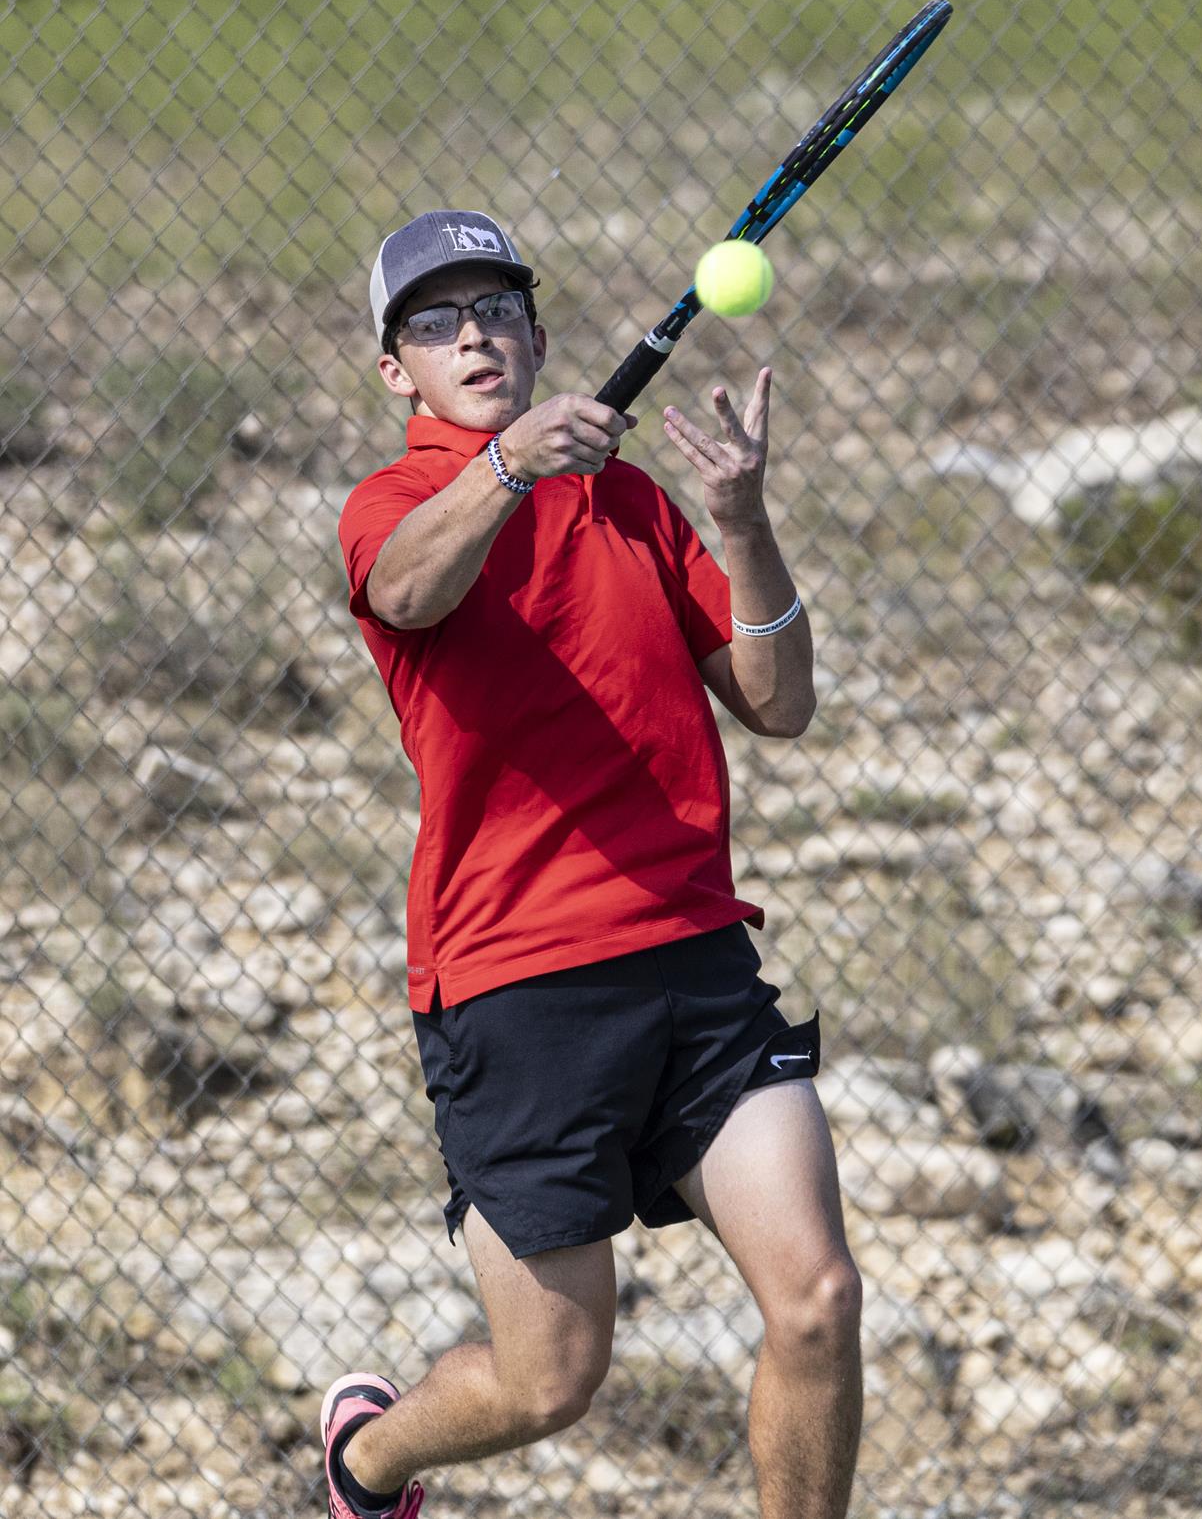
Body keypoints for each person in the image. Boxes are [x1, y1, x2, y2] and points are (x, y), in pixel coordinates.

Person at [324, 210, 860, 1519]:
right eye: (437, 322)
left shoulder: (627, 500)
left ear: (538, 333)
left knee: (819, 1298)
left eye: (497, 309)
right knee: (551, 1379)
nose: (474, 334)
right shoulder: (395, 504)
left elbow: (777, 701)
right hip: (516, 981)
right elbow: (407, 593)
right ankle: (368, 1460)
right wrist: (506, 466)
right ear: (398, 369)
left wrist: (740, 523)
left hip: (692, 954)